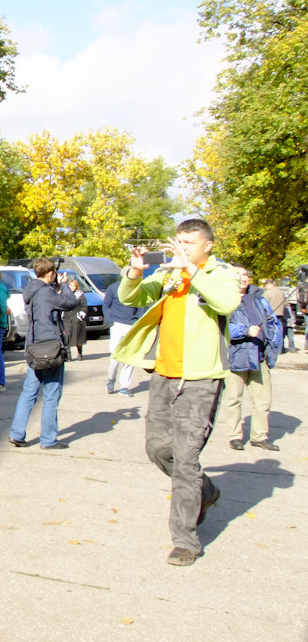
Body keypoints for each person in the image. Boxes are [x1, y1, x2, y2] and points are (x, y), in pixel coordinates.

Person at [112, 219, 240, 567]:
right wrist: (136, 272)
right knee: (157, 449)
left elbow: (227, 303)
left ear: (207, 245)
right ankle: (206, 490)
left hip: (200, 380)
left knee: (185, 460)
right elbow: (130, 297)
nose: (181, 248)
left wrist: (193, 271)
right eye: (178, 242)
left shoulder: (221, 274)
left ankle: (186, 542)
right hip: (164, 374)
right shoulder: (169, 276)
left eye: (189, 243)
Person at [8, 259, 77, 449]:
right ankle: (48, 439)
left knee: (29, 392)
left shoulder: (31, 291)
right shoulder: (47, 292)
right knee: (52, 393)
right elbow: (70, 303)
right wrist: (64, 284)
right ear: (50, 273)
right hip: (50, 348)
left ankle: (16, 433)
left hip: (33, 348)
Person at [223, 267, 281, 451]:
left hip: (259, 357)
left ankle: (259, 436)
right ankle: (234, 436)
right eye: (238, 275)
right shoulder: (225, 299)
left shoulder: (259, 299)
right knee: (233, 399)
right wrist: (244, 331)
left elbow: (273, 323)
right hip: (235, 357)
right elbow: (219, 328)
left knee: (263, 401)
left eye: (246, 275)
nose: (243, 279)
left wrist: (273, 346)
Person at [103, 279, 140, 397]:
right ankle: (111, 380)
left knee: (129, 357)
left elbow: (141, 306)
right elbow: (105, 305)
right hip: (117, 325)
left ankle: (124, 386)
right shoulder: (113, 288)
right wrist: (111, 322)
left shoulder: (136, 289)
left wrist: (138, 322)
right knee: (114, 356)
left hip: (131, 325)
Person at [261, 280, 288, 353]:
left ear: (268, 284)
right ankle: (280, 349)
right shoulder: (281, 292)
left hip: (270, 315)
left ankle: (272, 349)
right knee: (280, 331)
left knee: (271, 332)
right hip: (280, 314)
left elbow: (262, 304)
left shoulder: (267, 293)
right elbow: (285, 303)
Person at [64, 277, 87, 361]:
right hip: (67, 318)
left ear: (76, 287)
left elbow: (84, 306)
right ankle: (68, 355)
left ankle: (80, 353)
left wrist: (80, 315)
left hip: (77, 318)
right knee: (67, 337)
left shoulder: (80, 295)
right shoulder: (65, 294)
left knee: (78, 338)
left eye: (73, 286)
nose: (71, 287)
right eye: (70, 286)